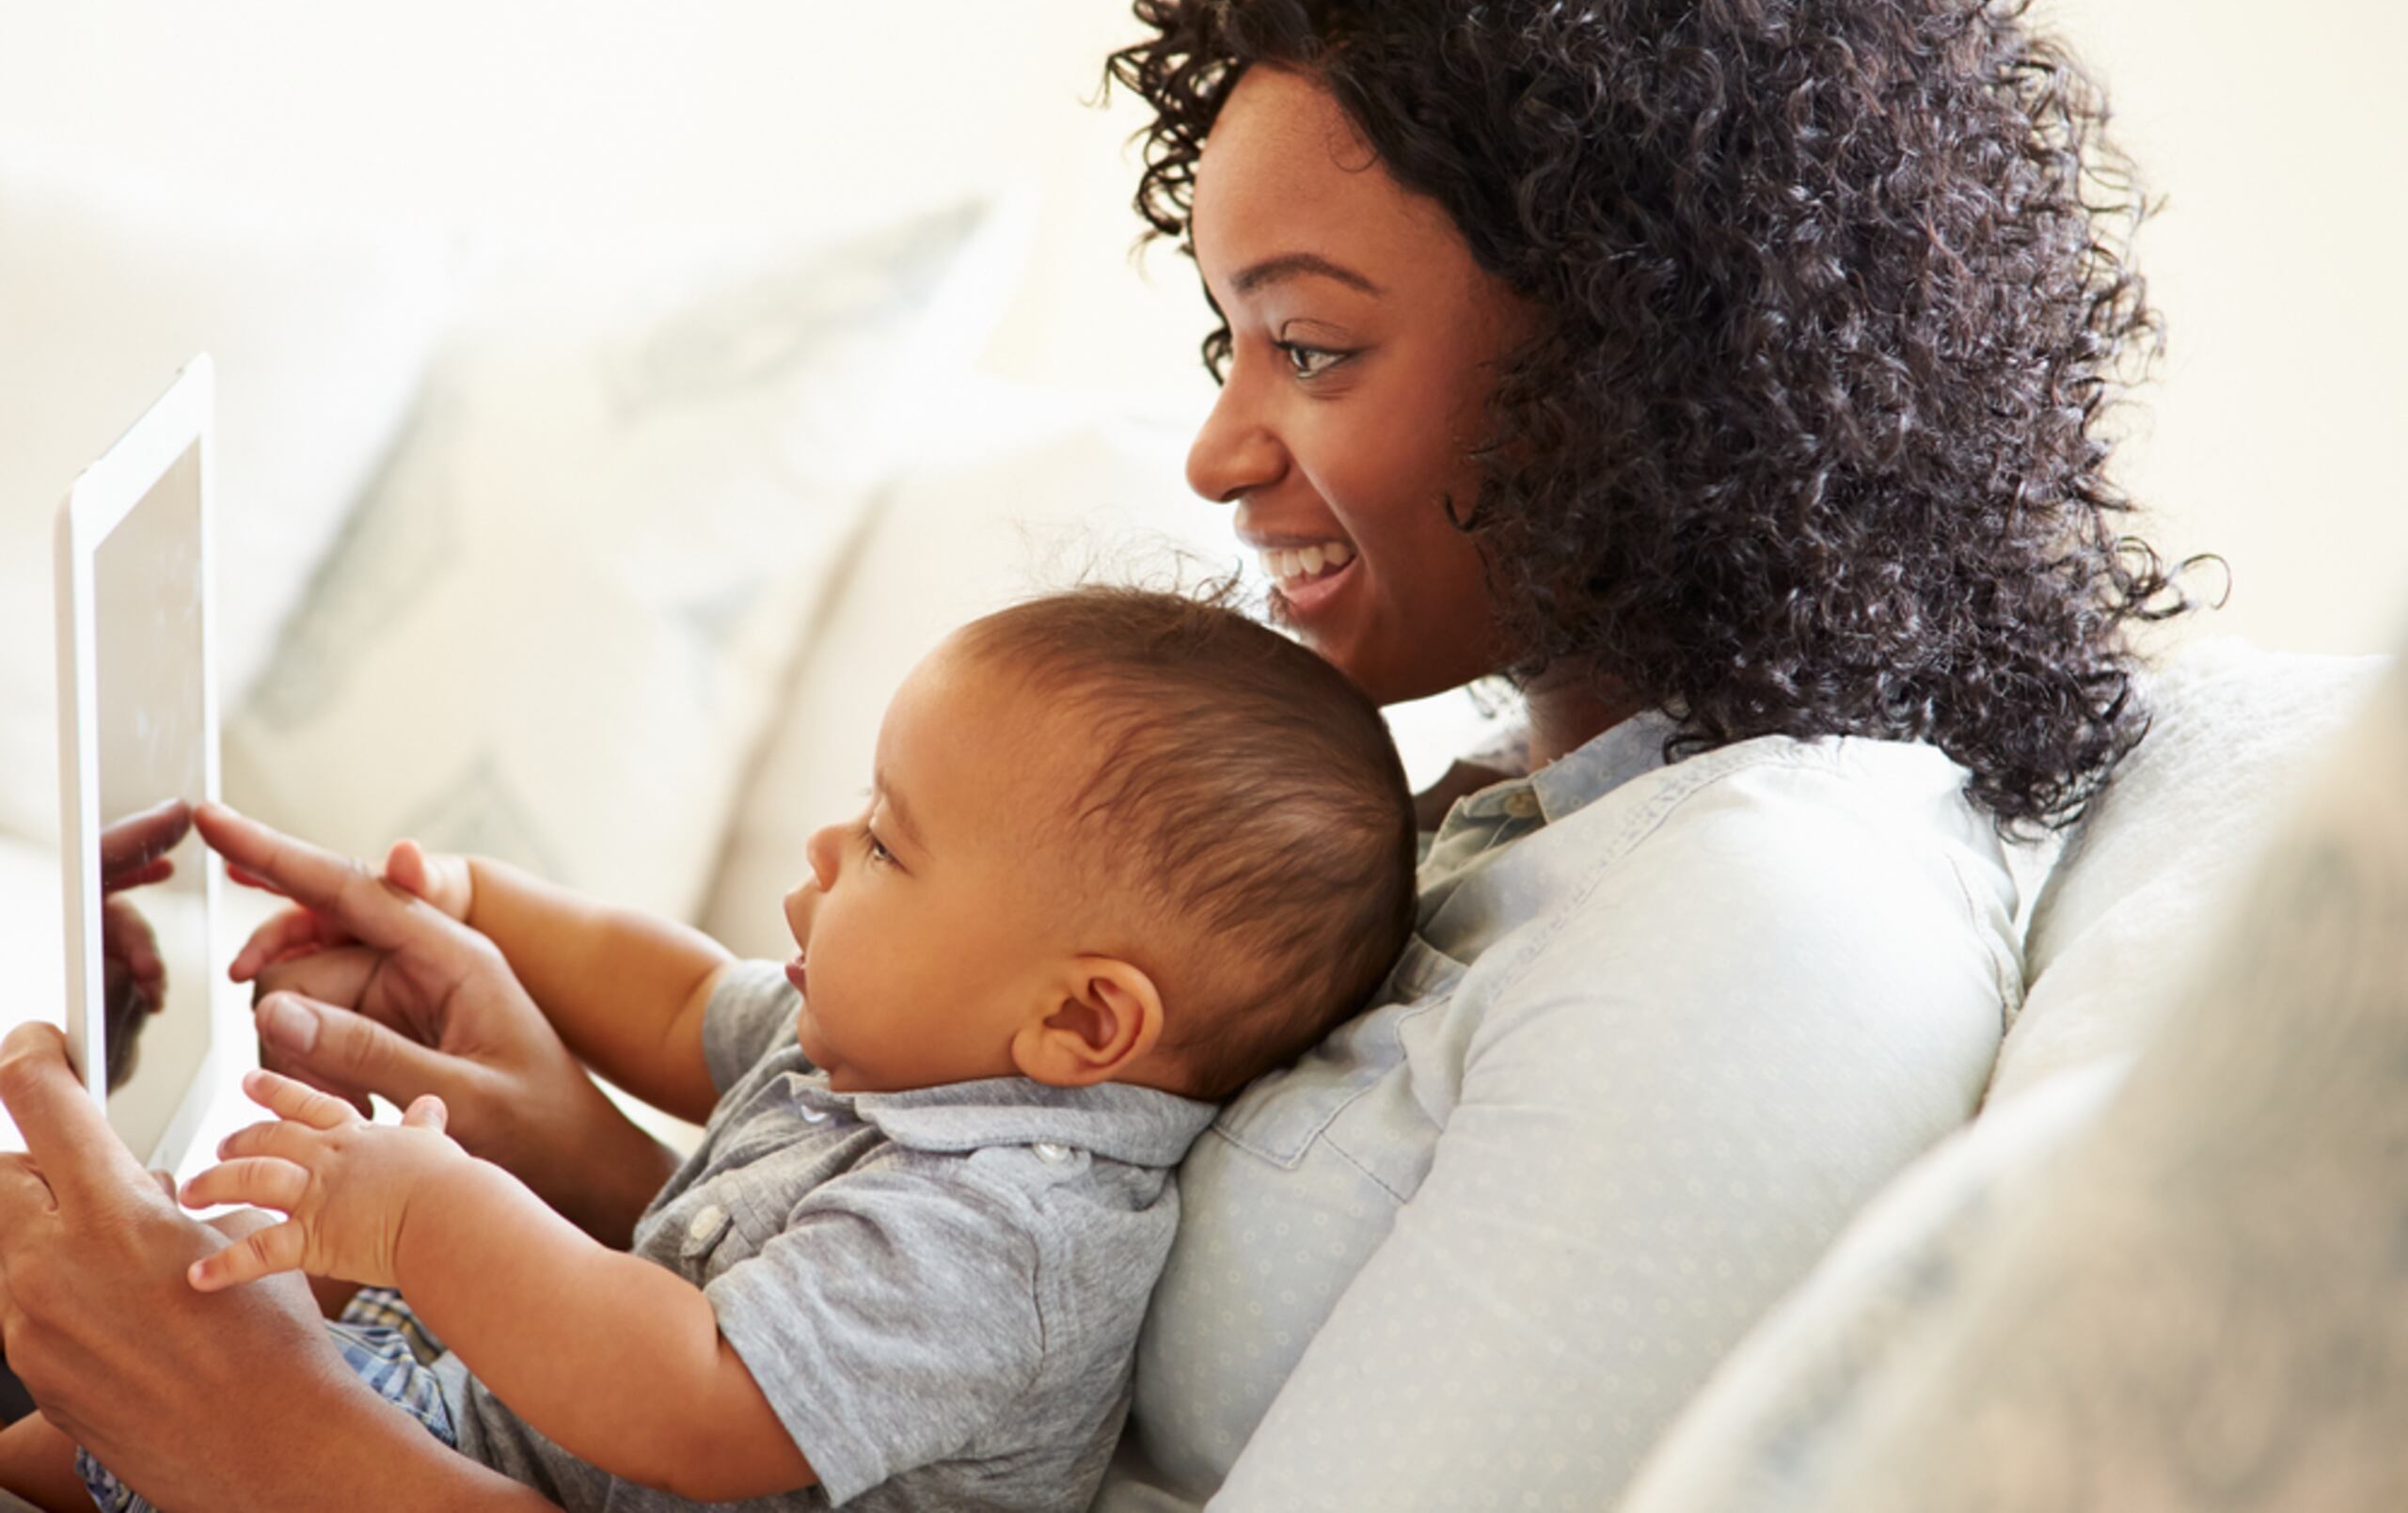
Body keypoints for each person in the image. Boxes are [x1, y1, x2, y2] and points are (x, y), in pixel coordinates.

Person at [0, 0, 2189, 1506]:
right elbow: (872, 1317)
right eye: (1229, 342)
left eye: (1309, 349)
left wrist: (255, 1429)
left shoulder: (1764, 939)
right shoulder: (1526, 814)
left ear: (1644, 359)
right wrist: (549, 1136)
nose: (1218, 453)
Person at [0, 589, 1416, 1513]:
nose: (825, 846)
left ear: (1080, 1022)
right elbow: (678, 1000)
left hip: (466, 1461)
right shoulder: (906, 1052)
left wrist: (432, 1218)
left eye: (884, 840)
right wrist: (474, 903)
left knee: (92, 1317)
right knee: (97, 1299)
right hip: (462, 1424)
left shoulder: (1010, 1239)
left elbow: (700, 1401)